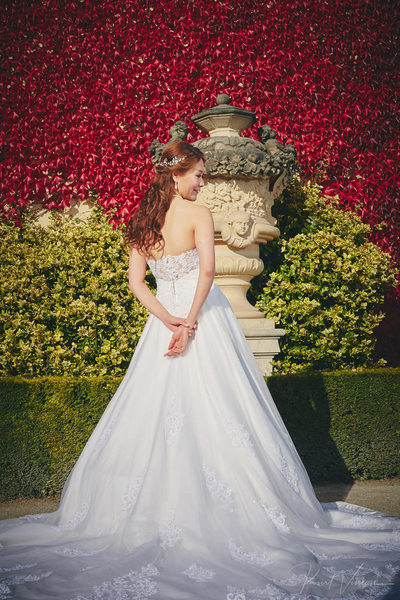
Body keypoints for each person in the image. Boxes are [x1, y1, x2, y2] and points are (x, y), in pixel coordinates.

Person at [0, 141, 399, 600]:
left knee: (157, 408)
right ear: (177, 176)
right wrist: (189, 323)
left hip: (163, 323)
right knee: (225, 404)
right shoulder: (200, 214)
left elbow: (136, 284)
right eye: (198, 175)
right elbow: (207, 272)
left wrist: (166, 319)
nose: (202, 182)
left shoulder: (141, 223)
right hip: (203, 320)